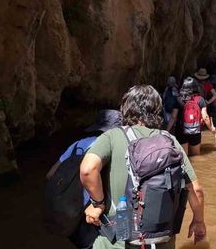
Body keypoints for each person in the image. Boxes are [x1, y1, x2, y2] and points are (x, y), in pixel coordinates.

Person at [79, 85, 208, 249]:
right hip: (162, 241)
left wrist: (98, 204)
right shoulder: (170, 141)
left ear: (125, 108)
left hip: (118, 240)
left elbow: (87, 170)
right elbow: (196, 191)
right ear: (157, 110)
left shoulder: (112, 136)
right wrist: (198, 221)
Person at [45, 109, 122, 249]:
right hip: (94, 215)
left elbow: (50, 174)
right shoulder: (112, 148)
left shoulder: (77, 145)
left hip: (71, 214)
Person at [170, 77, 216, 156]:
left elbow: (173, 117)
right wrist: (211, 128)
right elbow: (205, 117)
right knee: (196, 156)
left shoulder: (178, 99)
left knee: (184, 157)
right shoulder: (200, 99)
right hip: (195, 130)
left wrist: (167, 131)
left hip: (181, 130)